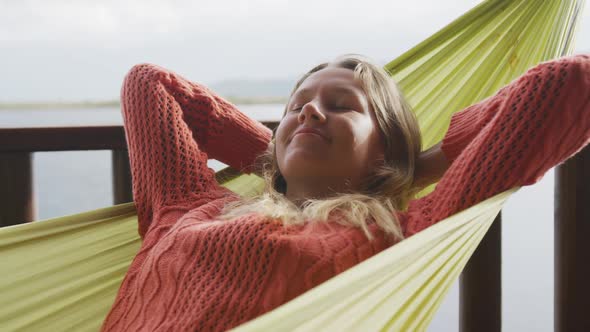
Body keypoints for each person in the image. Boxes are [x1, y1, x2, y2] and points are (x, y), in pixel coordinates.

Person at [101, 54, 589, 331]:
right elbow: (150, 84)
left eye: (341, 105)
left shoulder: (396, 234)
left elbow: (572, 82)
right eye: (298, 106)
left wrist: (412, 169)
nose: (311, 112)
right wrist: (278, 154)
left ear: (386, 149)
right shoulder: (185, 206)